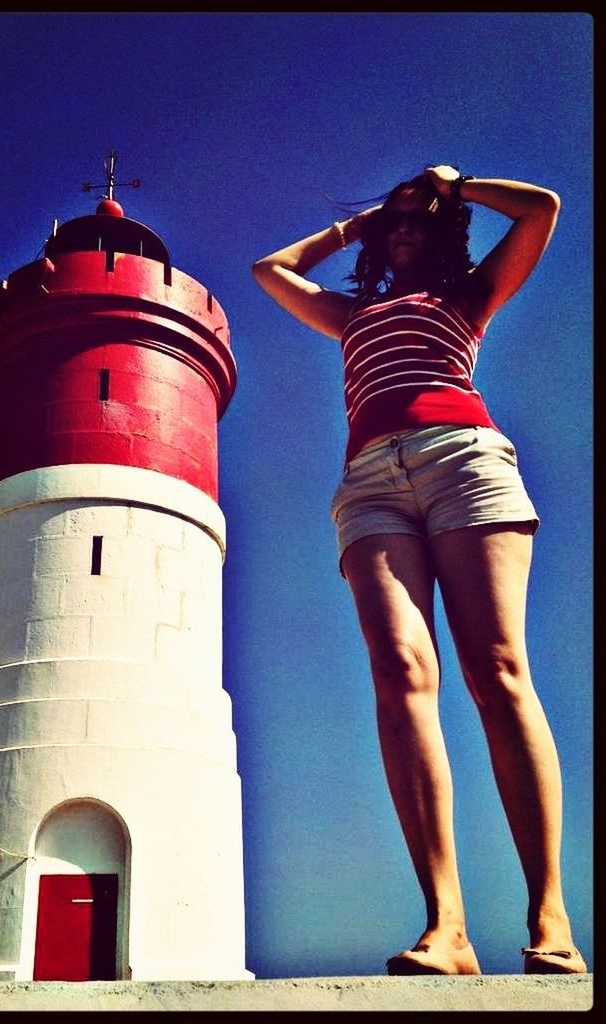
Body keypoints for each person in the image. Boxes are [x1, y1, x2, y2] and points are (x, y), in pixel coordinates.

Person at [251, 164, 586, 976]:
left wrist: (458, 184)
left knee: (497, 671)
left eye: (419, 216)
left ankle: (550, 918)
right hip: (368, 481)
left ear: (443, 228)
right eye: (395, 218)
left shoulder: (469, 292)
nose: (405, 224)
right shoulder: (353, 311)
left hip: (461, 459)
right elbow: (271, 272)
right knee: (400, 671)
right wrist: (358, 224)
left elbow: (543, 210)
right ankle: (448, 929)